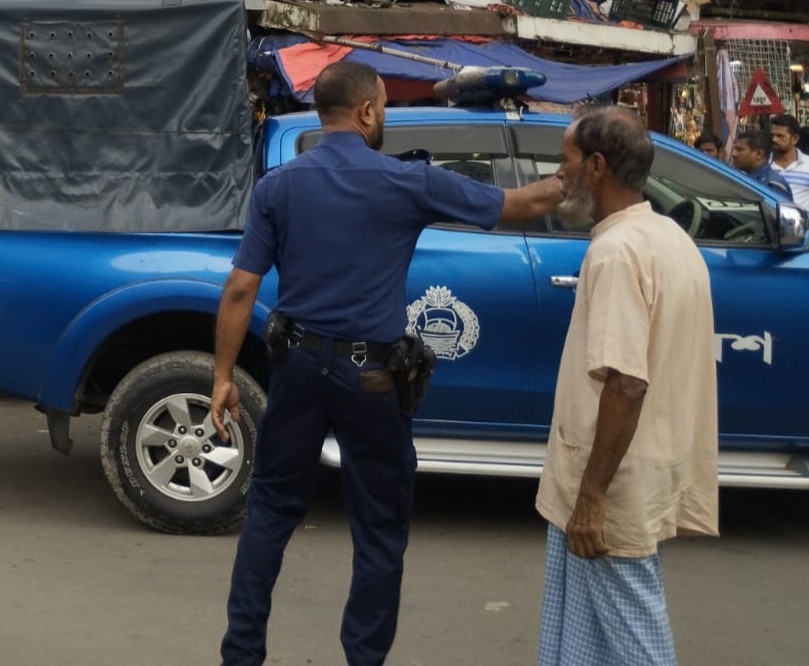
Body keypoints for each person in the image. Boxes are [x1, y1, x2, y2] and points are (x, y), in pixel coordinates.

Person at [209, 61, 565, 666]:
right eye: (384, 108)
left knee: (270, 511)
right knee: (377, 531)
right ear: (369, 111)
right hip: (371, 379)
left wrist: (221, 378)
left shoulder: (279, 186)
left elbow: (241, 289)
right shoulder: (407, 182)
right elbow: (525, 206)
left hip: (295, 366)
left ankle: (241, 656)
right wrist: (583, 164)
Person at [535, 106, 718, 666]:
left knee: (638, 647)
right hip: (630, 474)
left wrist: (592, 498)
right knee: (585, 640)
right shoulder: (666, 235)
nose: (557, 176)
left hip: (610, 486)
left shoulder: (616, 253)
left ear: (595, 166)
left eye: (564, 163)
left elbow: (626, 385)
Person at [730, 129, 793, 199]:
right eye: (734, 149)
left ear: (758, 154)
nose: (734, 154)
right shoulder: (739, 177)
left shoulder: (772, 184)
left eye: (740, 150)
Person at [768, 113, 809, 210]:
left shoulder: (807, 164)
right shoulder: (763, 164)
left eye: (780, 136)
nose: (774, 139)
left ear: (794, 139)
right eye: (772, 135)